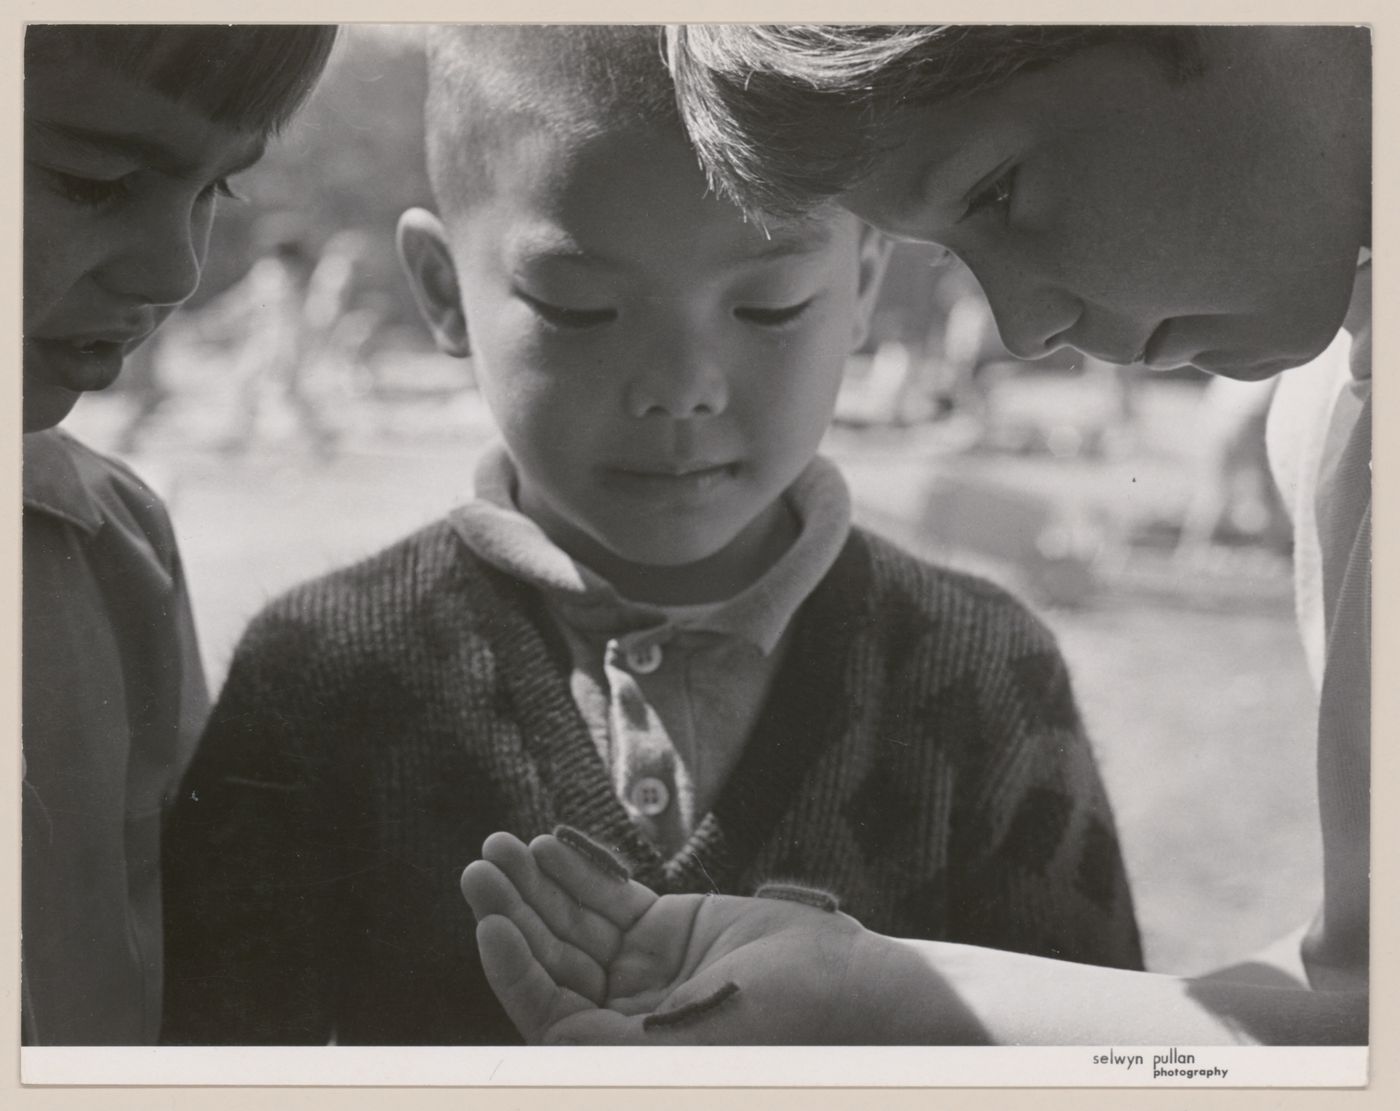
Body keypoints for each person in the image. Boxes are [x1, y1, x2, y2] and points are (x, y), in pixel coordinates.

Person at [159, 24, 1143, 1046]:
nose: (680, 388)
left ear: (859, 283)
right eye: (579, 308)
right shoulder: (324, 671)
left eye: (768, 306)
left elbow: (1100, 1052)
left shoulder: (985, 675)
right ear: (446, 291)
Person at [464, 24, 1370, 1045]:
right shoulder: (1331, 407)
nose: (1022, 328)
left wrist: (884, 1003)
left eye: (997, 192)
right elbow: (1356, 1007)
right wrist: (869, 990)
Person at [21, 24, 337, 1045]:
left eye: (217, 191)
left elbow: (202, 965)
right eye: (90, 177)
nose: (175, 269)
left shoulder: (112, 549)